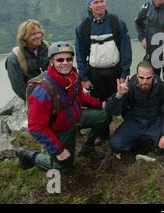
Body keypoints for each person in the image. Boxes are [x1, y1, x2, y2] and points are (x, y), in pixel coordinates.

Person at [15, 41, 109, 173]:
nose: (65, 62)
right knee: (63, 167)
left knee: (106, 115)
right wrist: (57, 150)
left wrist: (100, 105)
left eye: (69, 59)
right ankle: (28, 155)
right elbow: (35, 127)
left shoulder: (73, 76)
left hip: (76, 118)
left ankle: (87, 147)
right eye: (60, 59)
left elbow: (80, 96)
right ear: (51, 61)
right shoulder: (43, 91)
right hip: (59, 129)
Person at [75, 0, 132, 145]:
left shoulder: (117, 22)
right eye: (96, 2)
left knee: (124, 102)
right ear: (89, 5)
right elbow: (80, 54)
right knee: (99, 104)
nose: (100, 5)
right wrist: (84, 78)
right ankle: (102, 132)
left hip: (116, 72)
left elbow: (126, 50)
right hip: (95, 74)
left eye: (102, 1)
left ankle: (130, 129)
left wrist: (124, 74)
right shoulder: (83, 27)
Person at [106, 60, 164, 155]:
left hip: (156, 122)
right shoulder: (128, 88)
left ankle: (156, 147)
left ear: (153, 76)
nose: (145, 81)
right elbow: (110, 111)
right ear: (137, 76)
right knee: (115, 145)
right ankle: (134, 142)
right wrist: (118, 95)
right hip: (134, 122)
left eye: (148, 78)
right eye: (141, 77)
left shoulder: (163, 88)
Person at [5, 20, 50, 101]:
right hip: (31, 98)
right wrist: (35, 101)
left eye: (39, 32)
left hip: (51, 94)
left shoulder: (48, 47)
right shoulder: (15, 57)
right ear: (24, 36)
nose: (38, 36)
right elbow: (18, 87)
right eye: (33, 34)